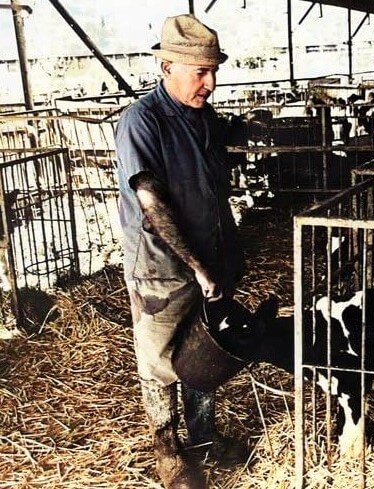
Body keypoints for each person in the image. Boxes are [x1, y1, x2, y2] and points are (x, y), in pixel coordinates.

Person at [115, 14, 245, 489]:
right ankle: (167, 452)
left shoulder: (205, 119)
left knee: (204, 347)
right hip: (161, 267)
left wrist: (224, 259)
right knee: (159, 357)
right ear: (167, 66)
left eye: (213, 71)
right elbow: (150, 199)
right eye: (200, 72)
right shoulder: (141, 122)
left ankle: (206, 436)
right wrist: (196, 266)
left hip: (212, 257)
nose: (210, 83)